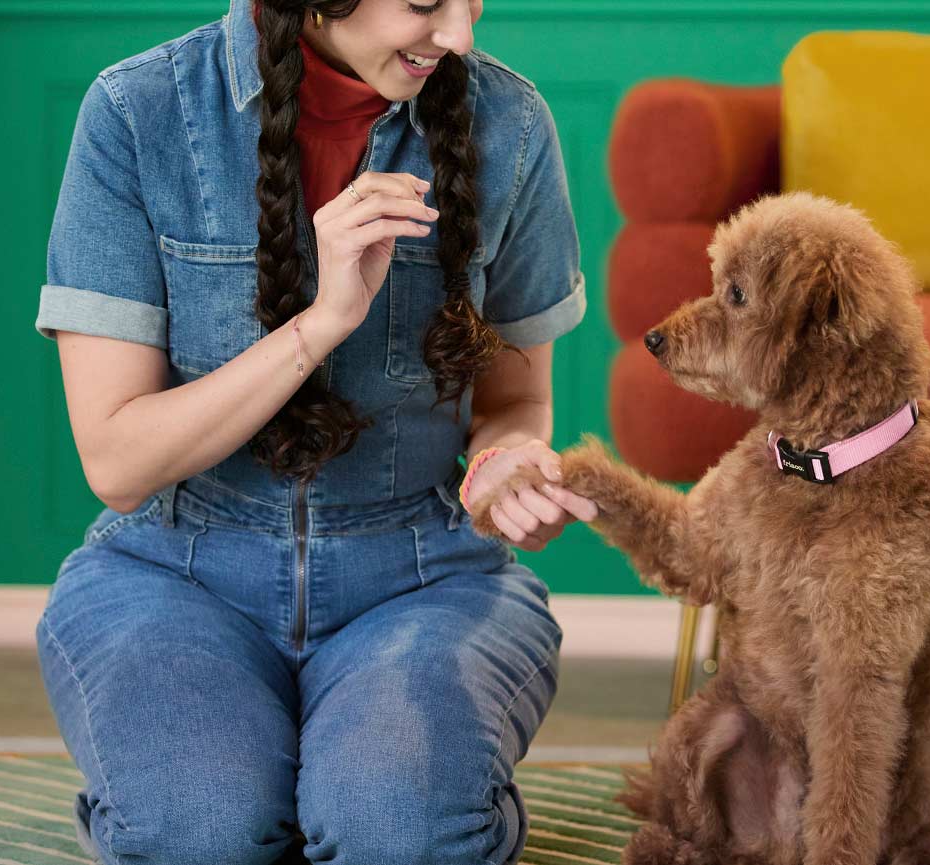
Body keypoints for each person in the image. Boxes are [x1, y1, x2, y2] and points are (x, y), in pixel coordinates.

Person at [32, 0, 596, 861]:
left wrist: (507, 464)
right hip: (172, 574)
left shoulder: (510, 125)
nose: (459, 36)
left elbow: (516, 403)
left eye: (473, 0)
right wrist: (321, 322)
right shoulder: (135, 113)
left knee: (397, 832)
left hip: (424, 578)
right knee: (200, 833)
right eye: (422, 4)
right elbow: (117, 461)